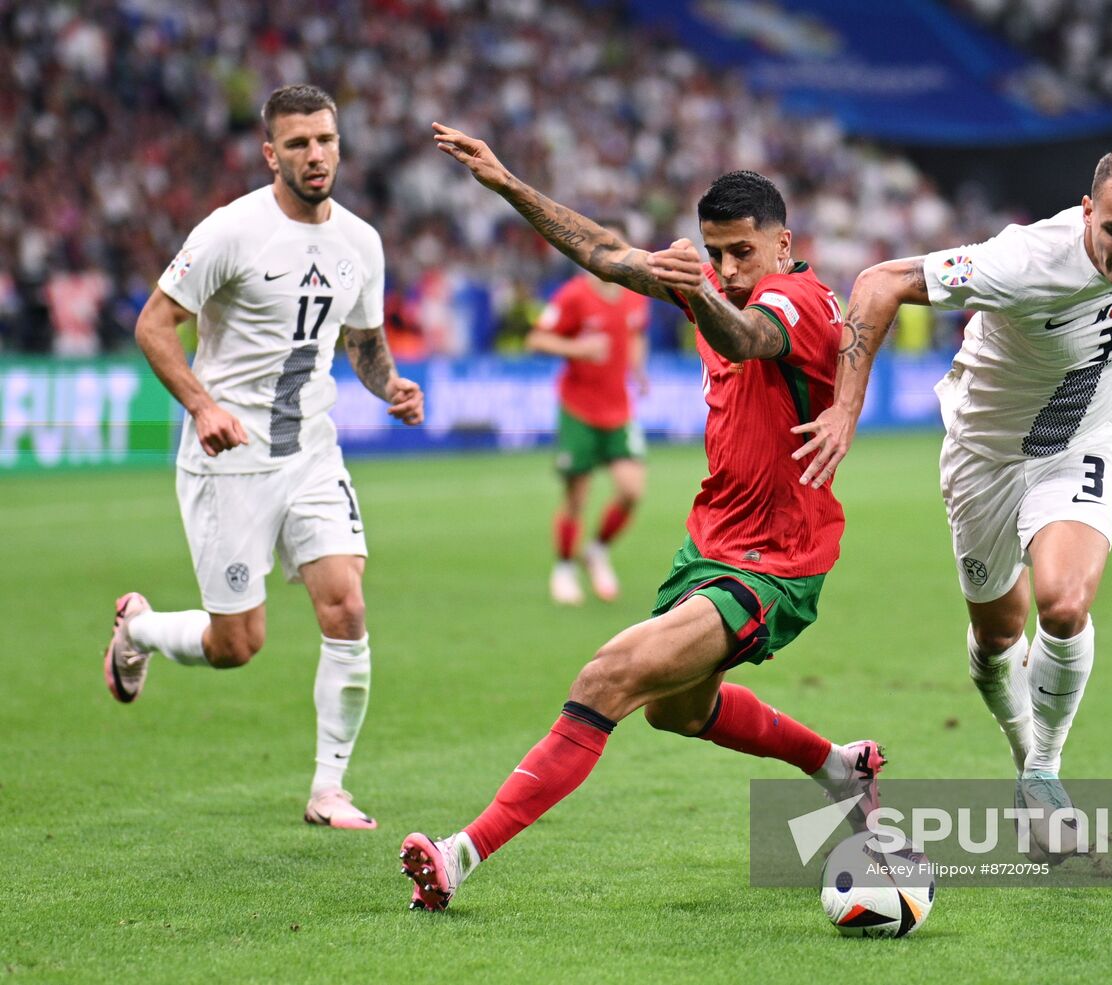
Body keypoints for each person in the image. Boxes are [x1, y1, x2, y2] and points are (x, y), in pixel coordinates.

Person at [395, 123, 882, 911]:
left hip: (776, 560)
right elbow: (607, 253)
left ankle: (459, 854)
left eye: (741, 253)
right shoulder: (721, 287)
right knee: (676, 709)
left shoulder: (797, 303)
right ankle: (836, 764)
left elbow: (750, 337)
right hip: (713, 545)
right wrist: (508, 183)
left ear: (784, 243)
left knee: (607, 676)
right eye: (713, 252)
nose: (725, 268)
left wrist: (695, 289)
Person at [792, 145, 1112, 861]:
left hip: (1081, 443)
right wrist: (846, 409)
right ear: (1088, 212)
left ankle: (1044, 773)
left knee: (1063, 603)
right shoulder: (1024, 261)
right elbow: (879, 283)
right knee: (998, 638)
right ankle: (1021, 753)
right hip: (983, 456)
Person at [102, 84, 424, 830]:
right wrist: (203, 406)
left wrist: (392, 388)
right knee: (235, 644)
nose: (317, 155)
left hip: (311, 448)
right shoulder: (230, 232)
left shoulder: (360, 242)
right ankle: (139, 629)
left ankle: (328, 789)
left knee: (345, 600)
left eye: (326, 140)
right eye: (300, 143)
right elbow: (155, 325)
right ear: (270, 152)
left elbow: (365, 344)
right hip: (230, 458)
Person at [524, 242, 650, 605]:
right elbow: (536, 339)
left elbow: (636, 333)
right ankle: (564, 568)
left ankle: (596, 550)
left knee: (631, 491)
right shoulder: (573, 295)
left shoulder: (633, 295)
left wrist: (638, 370)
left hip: (619, 410)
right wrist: (578, 349)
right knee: (577, 497)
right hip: (579, 409)